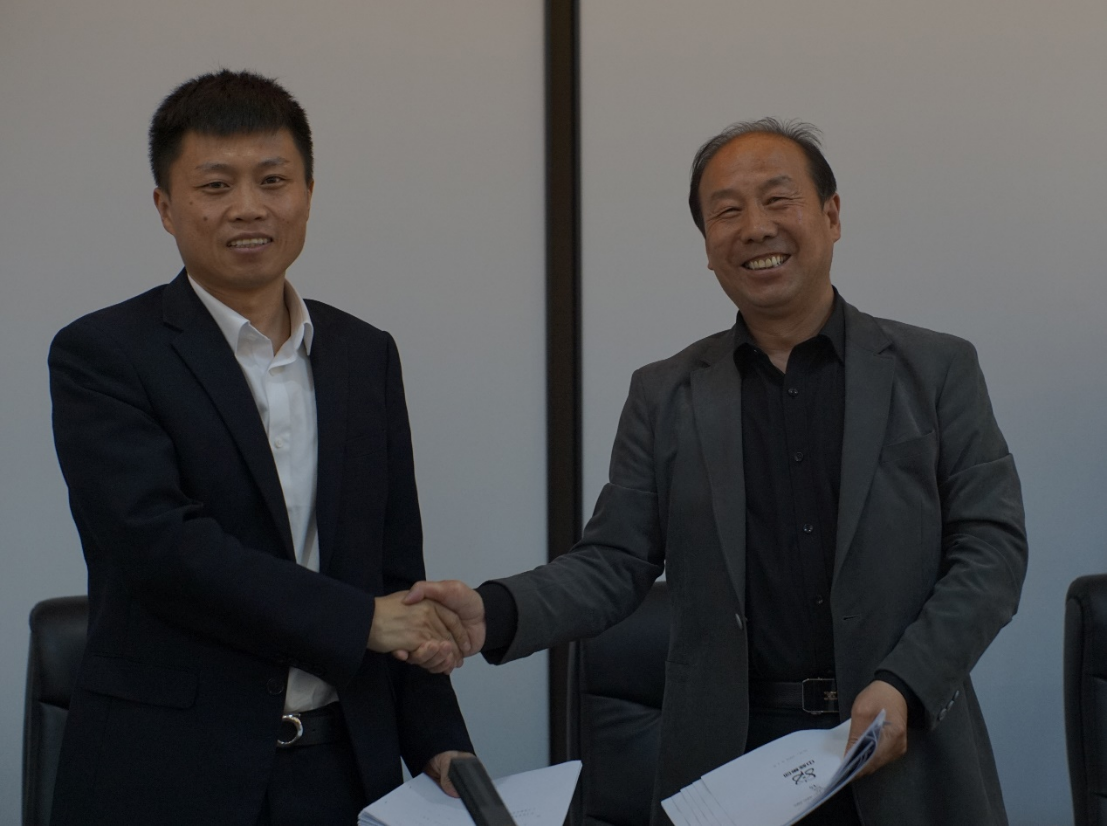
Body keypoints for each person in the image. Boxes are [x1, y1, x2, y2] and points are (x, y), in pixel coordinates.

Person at [406, 119, 1028, 826]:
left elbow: (993, 549)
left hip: (901, 742)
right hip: (730, 765)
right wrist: (493, 611)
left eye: (778, 199)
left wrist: (905, 683)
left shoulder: (936, 370)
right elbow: (613, 562)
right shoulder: (666, 394)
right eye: (727, 211)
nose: (755, 227)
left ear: (831, 215)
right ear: (707, 246)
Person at [48, 70, 473, 826]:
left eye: (273, 180)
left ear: (307, 193)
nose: (249, 207)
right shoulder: (105, 353)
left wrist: (442, 744)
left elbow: (394, 572)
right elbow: (162, 549)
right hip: (168, 774)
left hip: (342, 770)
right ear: (165, 207)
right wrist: (360, 621)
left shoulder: (364, 354)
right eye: (216, 185)